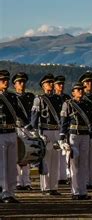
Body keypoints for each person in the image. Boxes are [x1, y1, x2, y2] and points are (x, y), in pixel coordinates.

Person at [59, 82, 92, 200]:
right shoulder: (68, 104)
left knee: (84, 164)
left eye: (81, 89)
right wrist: (62, 138)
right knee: (74, 164)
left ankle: (83, 191)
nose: (80, 91)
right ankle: (75, 191)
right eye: (77, 89)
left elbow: (91, 121)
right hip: (73, 135)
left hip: (85, 135)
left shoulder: (88, 104)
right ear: (73, 92)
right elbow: (64, 122)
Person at [31, 73, 64, 195]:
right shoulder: (39, 99)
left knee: (55, 161)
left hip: (56, 130)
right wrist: (37, 134)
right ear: (43, 86)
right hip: (45, 131)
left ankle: (53, 187)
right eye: (48, 83)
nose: (51, 84)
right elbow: (34, 119)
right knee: (45, 161)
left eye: (52, 82)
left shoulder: (58, 99)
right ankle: (45, 187)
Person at [0, 70, 28, 203]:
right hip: (0, 134)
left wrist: (28, 126)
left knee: (11, 165)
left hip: (11, 132)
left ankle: (10, 193)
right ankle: (3, 193)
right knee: (2, 166)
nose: (5, 82)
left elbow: (19, 113)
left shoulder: (12, 97)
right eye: (2, 80)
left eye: (6, 80)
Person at [12, 72, 35, 191]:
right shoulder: (12, 98)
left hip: (28, 128)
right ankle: (17, 181)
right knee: (16, 155)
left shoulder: (30, 97)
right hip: (16, 127)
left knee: (27, 155)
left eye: (23, 82)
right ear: (14, 85)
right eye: (19, 82)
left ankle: (26, 182)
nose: (22, 84)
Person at [54, 75, 71, 185]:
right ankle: (56, 176)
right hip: (54, 127)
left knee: (66, 154)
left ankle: (64, 176)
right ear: (55, 85)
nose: (61, 86)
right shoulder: (51, 98)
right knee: (55, 154)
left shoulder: (67, 98)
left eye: (62, 84)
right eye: (59, 84)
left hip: (65, 128)